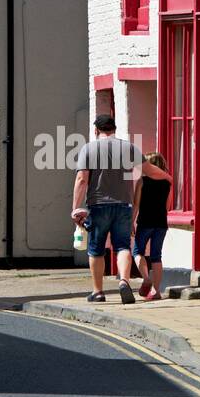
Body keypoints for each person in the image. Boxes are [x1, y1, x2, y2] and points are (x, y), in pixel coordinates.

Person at [72, 114, 171, 304]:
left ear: (96, 130)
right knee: (123, 246)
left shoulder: (89, 149)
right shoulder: (128, 148)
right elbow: (150, 170)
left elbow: (82, 179)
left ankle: (98, 292)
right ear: (114, 129)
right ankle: (124, 281)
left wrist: (75, 208)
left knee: (96, 249)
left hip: (98, 205)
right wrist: (167, 177)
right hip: (124, 206)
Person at [132, 152, 172, 301]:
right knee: (156, 256)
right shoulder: (167, 182)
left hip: (145, 222)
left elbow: (136, 204)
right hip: (161, 223)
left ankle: (146, 278)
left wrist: (131, 222)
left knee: (137, 251)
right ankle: (156, 291)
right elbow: (167, 206)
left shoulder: (142, 182)